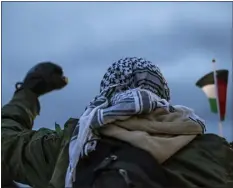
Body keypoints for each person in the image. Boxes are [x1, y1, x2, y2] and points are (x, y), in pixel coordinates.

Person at [2, 58, 233, 188]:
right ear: (163, 96)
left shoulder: (74, 147)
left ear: (108, 91)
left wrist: (28, 92)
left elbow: (5, 145)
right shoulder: (217, 153)